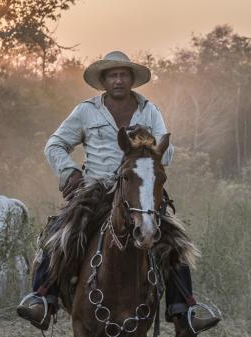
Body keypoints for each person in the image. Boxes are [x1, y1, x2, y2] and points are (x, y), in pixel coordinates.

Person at [16, 51, 221, 337]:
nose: (118, 80)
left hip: (138, 190)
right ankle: (42, 299)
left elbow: (167, 152)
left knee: (175, 242)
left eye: (123, 74)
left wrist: (146, 142)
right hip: (95, 189)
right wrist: (70, 173)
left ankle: (184, 312)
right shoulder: (86, 111)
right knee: (58, 233)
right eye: (112, 75)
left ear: (132, 79)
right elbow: (55, 145)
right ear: (103, 81)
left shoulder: (150, 110)